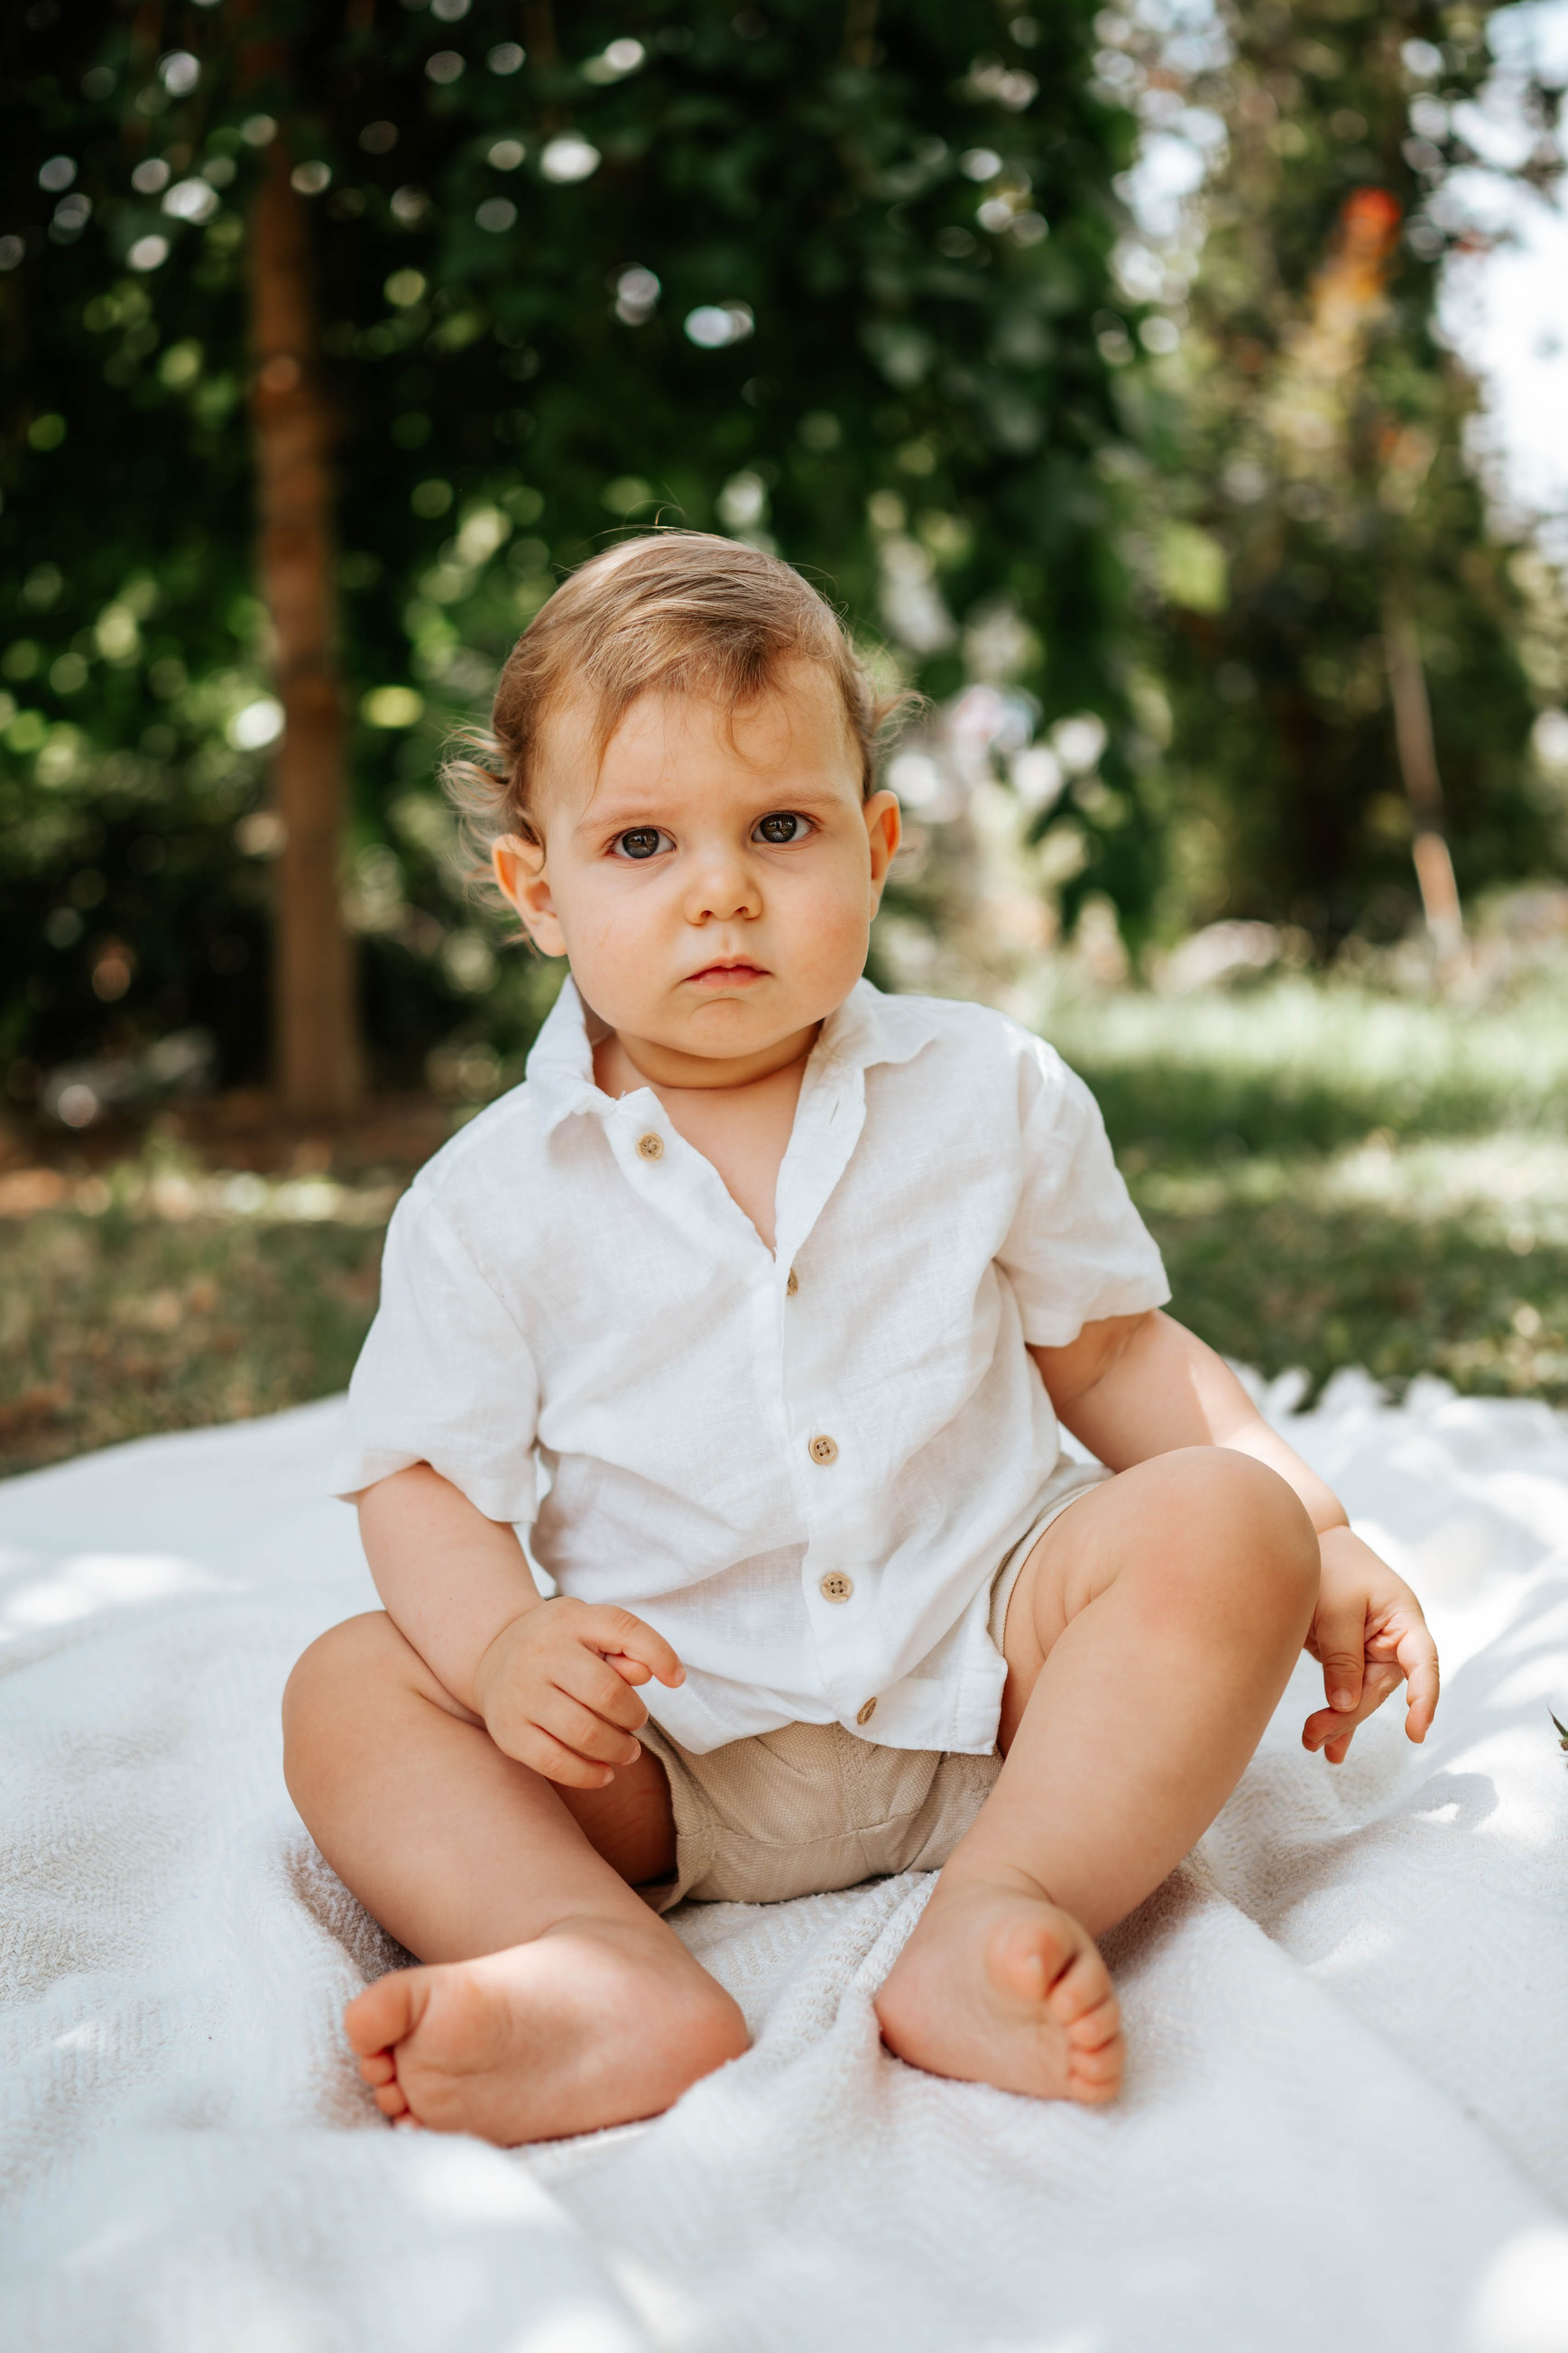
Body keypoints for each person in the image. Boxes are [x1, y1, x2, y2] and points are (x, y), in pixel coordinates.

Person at [282, 532, 1439, 2148]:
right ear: (537, 890)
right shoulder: (490, 1202)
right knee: (349, 1689)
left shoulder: (990, 1093)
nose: (723, 889)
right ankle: (599, 1961)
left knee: (1227, 1518)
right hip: (665, 1744)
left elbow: (1112, 1353)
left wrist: (1318, 1529)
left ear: (876, 845)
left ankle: (999, 1910)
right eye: (640, 842)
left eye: (780, 826)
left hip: (1001, 1687)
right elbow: (421, 1479)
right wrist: (498, 1650)